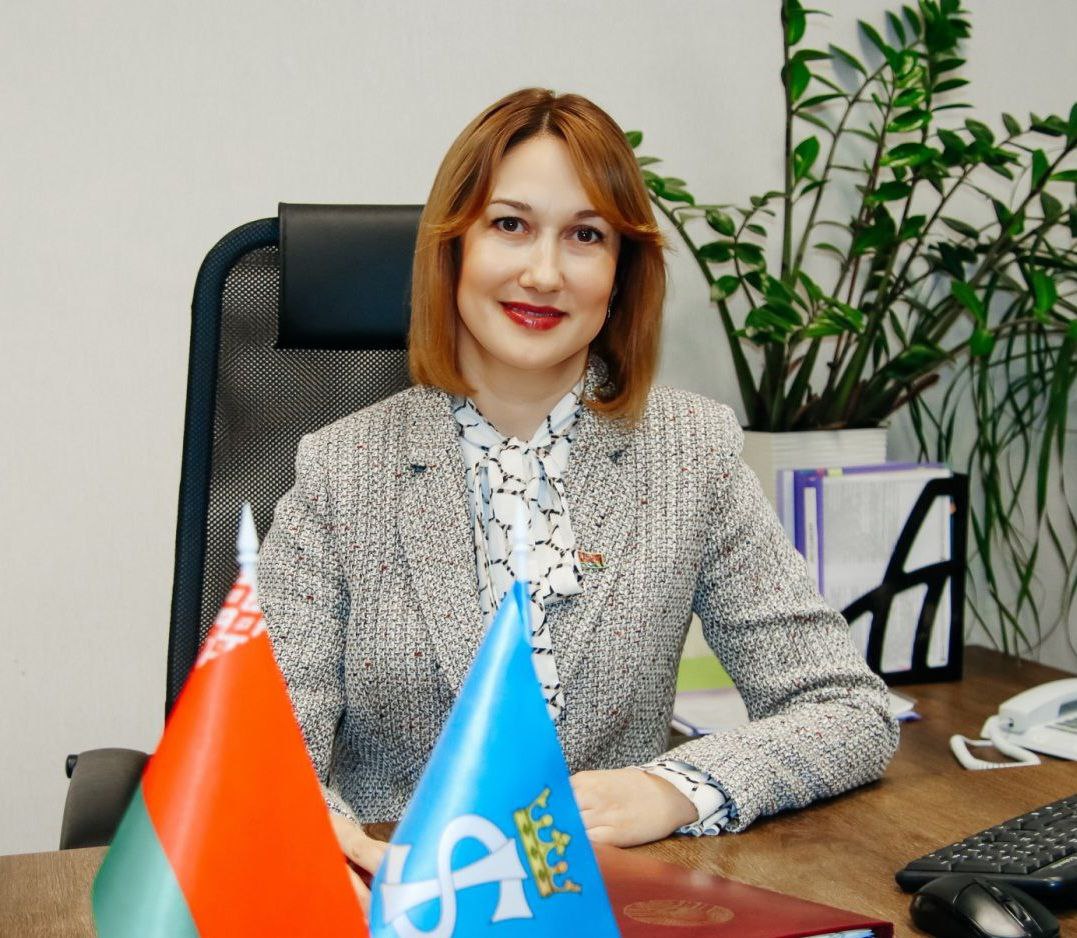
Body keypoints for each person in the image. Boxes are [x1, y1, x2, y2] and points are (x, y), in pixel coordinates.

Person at [258, 87, 899, 906]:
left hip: (608, 899)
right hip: (407, 897)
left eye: (586, 236)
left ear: (622, 272)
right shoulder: (342, 469)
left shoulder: (692, 454)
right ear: (452, 248)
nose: (543, 273)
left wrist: (672, 789)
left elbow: (847, 710)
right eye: (509, 225)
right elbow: (267, 754)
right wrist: (323, 841)